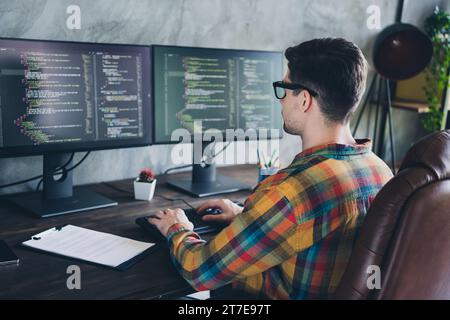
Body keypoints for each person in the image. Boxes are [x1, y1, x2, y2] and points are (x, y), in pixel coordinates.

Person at [148, 38, 393, 299]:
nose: (281, 101)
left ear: (305, 101)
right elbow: (313, 229)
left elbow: (199, 271)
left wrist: (177, 227)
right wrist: (247, 215)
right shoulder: (380, 171)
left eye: (284, 89)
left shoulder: (290, 192)